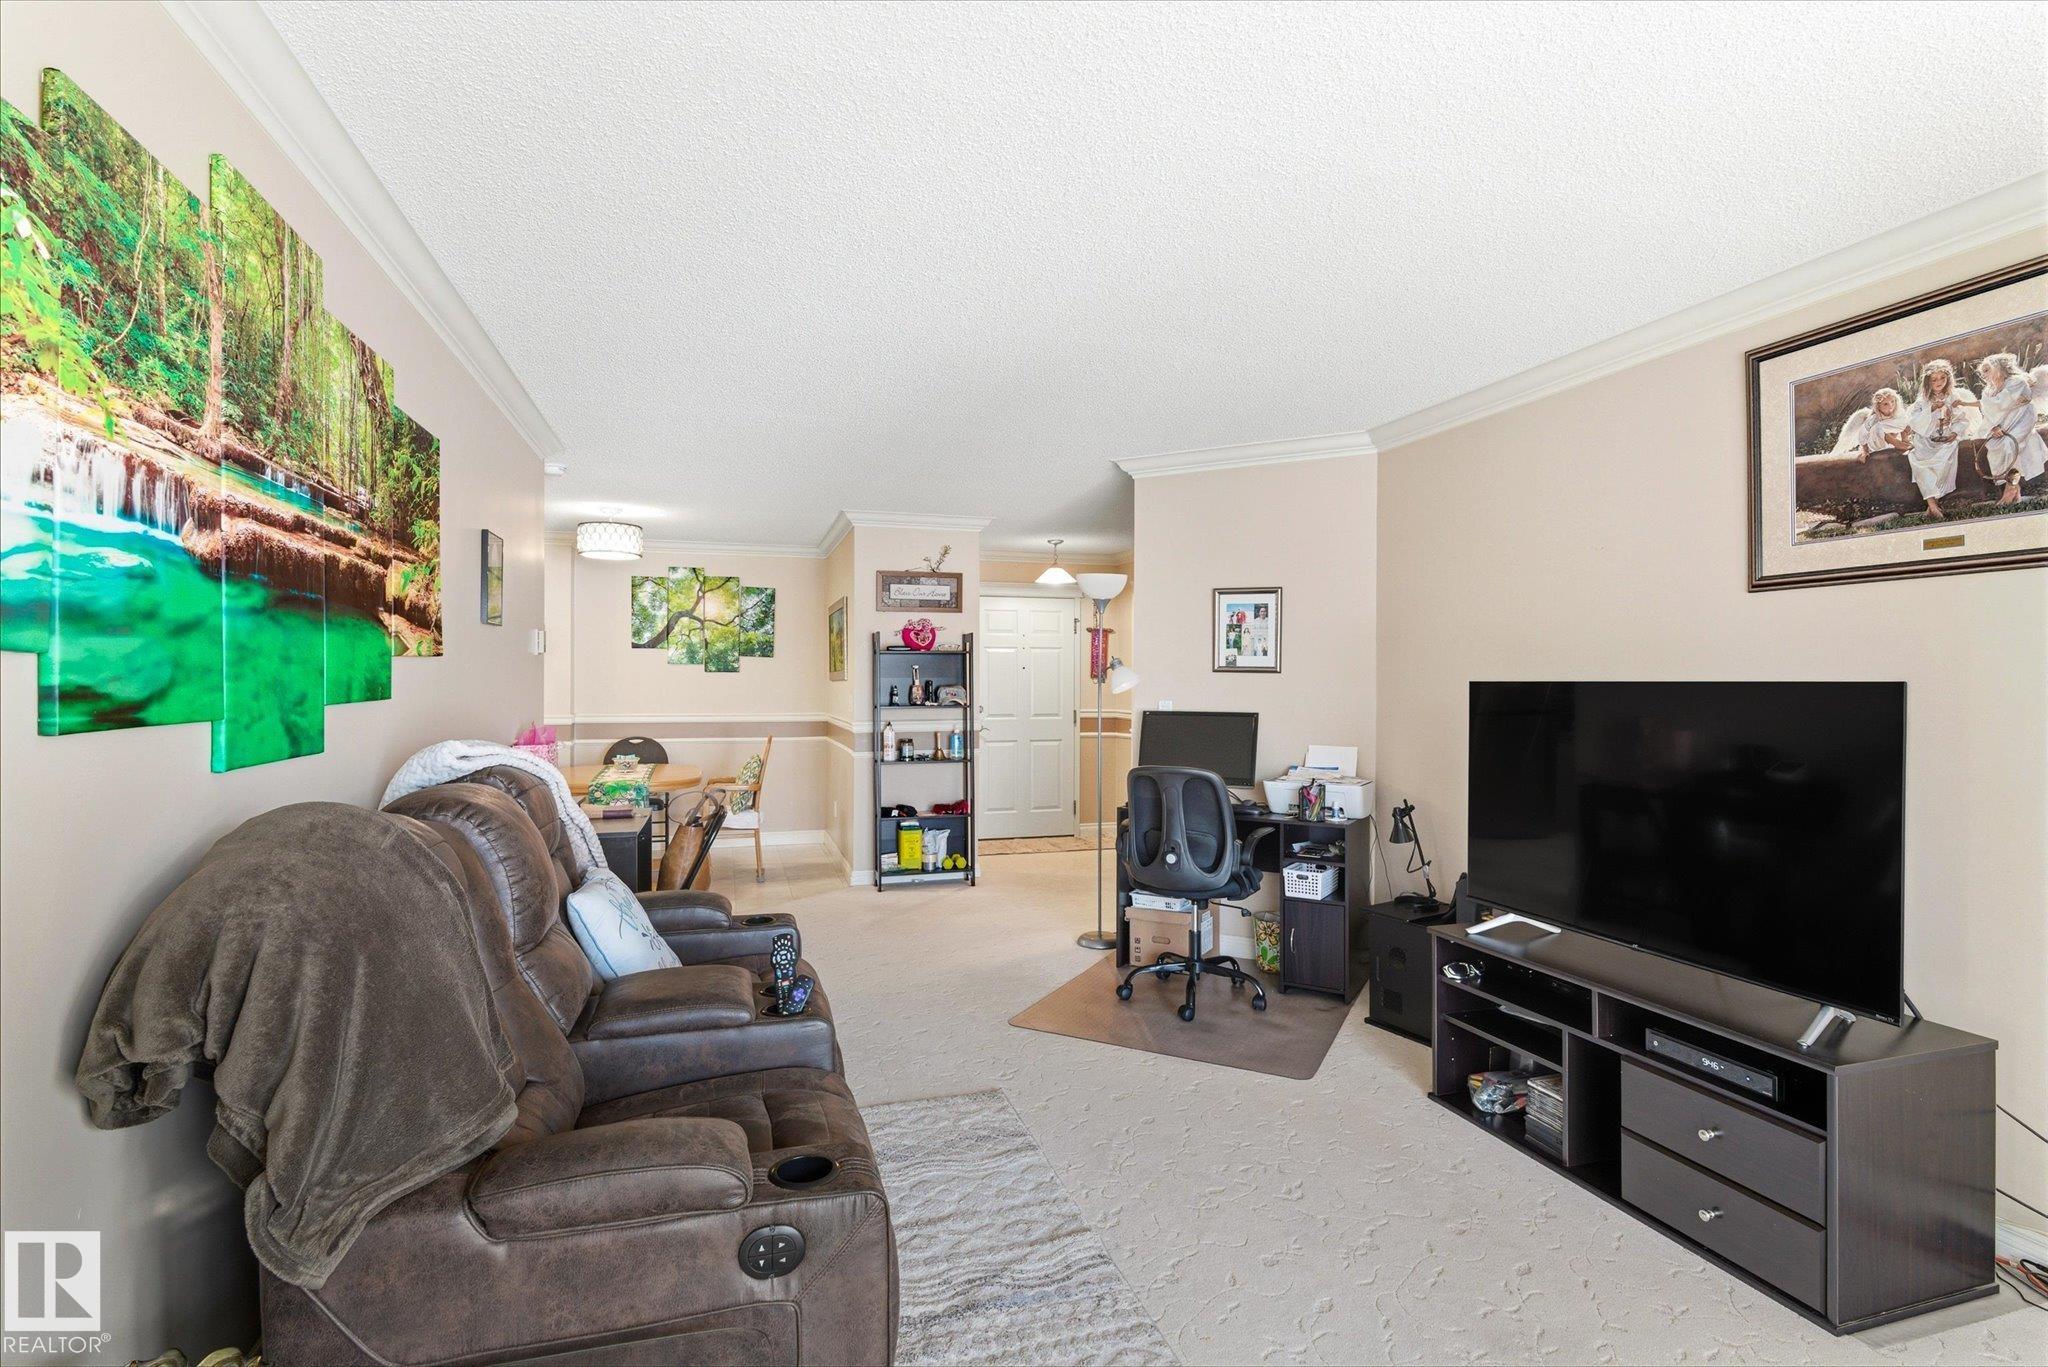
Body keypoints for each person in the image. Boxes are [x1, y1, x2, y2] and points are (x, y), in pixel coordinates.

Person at [1901, 360, 1975, 517]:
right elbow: (1914, 421)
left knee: (1945, 459)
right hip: (1925, 439)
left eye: (1942, 378)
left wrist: (1955, 432)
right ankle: (1932, 505)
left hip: (1945, 438)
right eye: (1934, 380)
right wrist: (1931, 409)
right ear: (1928, 382)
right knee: (1919, 462)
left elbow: (1961, 419)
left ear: (1948, 379)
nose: (1938, 382)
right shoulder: (1922, 400)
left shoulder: (1952, 396)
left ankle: (1933, 504)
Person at [1975, 353, 2044, 504]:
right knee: (1995, 449)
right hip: (2003, 425)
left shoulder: (2016, 382)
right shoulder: (1988, 390)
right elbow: (1988, 411)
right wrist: (1993, 427)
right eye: (1983, 372)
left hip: (2021, 421)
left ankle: (2010, 489)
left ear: (1998, 368)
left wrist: (2001, 407)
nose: (1984, 375)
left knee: (2008, 446)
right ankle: (2015, 491)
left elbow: (2001, 405)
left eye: (1987, 370)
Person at [1830, 387, 1912, 462]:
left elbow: (1905, 424)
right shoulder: (1874, 419)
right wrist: (1865, 451)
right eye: (1885, 404)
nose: (1891, 405)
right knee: (1879, 427)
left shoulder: (1899, 414)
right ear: (1878, 406)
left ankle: (1905, 442)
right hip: (1877, 444)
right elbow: (1862, 435)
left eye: (1892, 401)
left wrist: (1907, 430)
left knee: (1904, 423)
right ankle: (1898, 444)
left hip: (1889, 444)